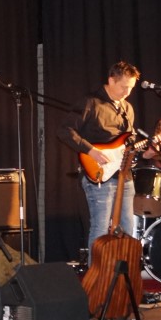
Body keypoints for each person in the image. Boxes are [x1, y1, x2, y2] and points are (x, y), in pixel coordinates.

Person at [58, 60, 141, 257]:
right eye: (124, 87)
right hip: (99, 175)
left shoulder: (127, 109)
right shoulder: (90, 102)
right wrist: (90, 151)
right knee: (100, 228)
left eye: (131, 88)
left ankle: (123, 272)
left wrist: (141, 151)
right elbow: (64, 130)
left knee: (128, 227)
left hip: (124, 175)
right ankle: (96, 274)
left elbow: (129, 141)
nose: (127, 92)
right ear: (111, 81)